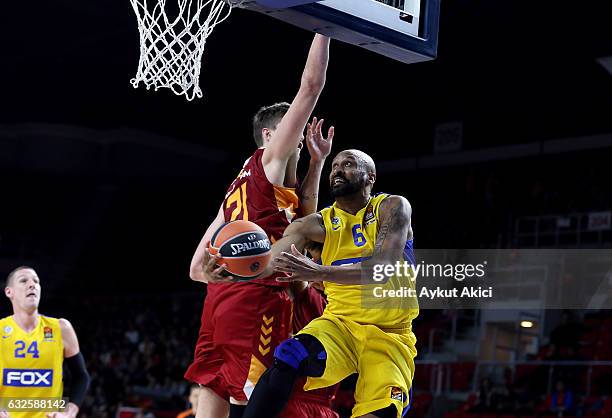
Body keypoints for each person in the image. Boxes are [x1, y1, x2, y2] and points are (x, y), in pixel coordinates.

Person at [186, 34, 332, 418]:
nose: (299, 139)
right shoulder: (269, 160)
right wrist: (326, 24)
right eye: (294, 135)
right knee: (254, 403)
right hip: (256, 300)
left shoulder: (239, 193)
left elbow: (196, 271)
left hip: (217, 306)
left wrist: (316, 163)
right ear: (271, 136)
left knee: (214, 388)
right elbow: (311, 86)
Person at [243, 149, 418, 418]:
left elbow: (381, 269)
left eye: (348, 164)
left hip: (391, 333)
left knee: (380, 411)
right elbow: (268, 263)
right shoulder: (318, 224)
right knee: (289, 355)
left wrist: (318, 271)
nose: (337, 170)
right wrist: (231, 270)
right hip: (340, 324)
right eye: (334, 166)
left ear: (370, 176)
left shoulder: (393, 207)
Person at [0, 266, 90, 418]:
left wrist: (70, 411)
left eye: (36, 281)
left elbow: (81, 375)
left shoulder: (61, 328)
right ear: (9, 292)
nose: (32, 284)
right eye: (23, 280)